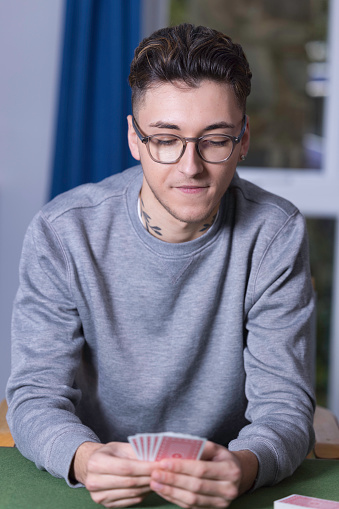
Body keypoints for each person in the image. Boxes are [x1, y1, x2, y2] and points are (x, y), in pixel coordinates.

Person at [6, 23, 315, 508]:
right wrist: (83, 459)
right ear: (134, 138)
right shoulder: (62, 231)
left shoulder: (274, 234)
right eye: (166, 139)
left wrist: (243, 467)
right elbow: (33, 395)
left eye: (215, 140)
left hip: (221, 482)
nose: (190, 166)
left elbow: (286, 409)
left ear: (244, 138)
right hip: (97, 478)